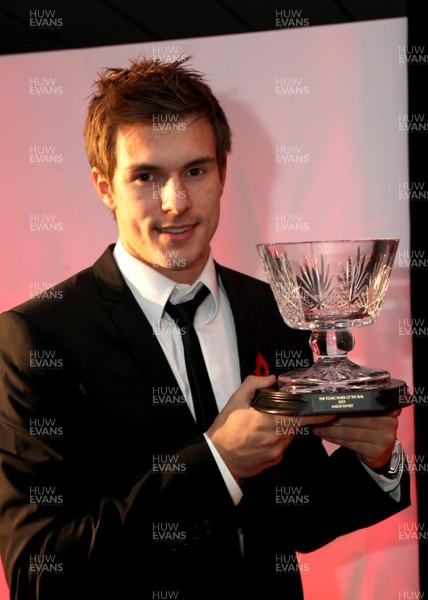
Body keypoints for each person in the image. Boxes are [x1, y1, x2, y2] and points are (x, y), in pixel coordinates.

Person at [0, 56, 409, 600]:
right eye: (146, 177)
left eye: (196, 170)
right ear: (104, 187)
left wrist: (377, 461)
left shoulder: (276, 310)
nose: (177, 202)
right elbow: (40, 570)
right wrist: (217, 465)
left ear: (221, 173)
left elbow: (296, 518)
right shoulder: (37, 337)